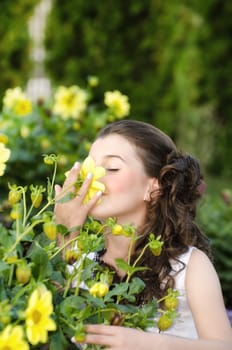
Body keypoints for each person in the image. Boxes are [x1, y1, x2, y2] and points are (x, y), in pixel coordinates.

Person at [54, 119, 232, 350]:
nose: (92, 179)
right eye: (90, 167)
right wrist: (65, 234)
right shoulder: (80, 262)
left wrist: (148, 344)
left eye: (112, 168)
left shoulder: (188, 267)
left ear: (154, 187)